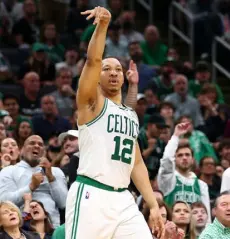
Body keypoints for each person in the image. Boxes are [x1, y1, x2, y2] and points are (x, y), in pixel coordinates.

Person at [65, 6, 164, 239]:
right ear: (97, 76)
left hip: (123, 200)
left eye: (118, 69)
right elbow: (92, 60)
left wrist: (154, 205)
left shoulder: (130, 115)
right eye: (106, 68)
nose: (113, 72)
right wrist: (103, 25)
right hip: (91, 194)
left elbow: (137, 163)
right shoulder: (91, 104)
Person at [157, 123, 211, 221]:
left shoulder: (201, 185)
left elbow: (206, 216)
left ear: (193, 159)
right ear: (175, 159)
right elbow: (167, 160)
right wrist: (175, 136)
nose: (184, 157)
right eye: (180, 155)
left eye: (187, 155)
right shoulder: (168, 180)